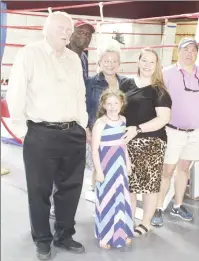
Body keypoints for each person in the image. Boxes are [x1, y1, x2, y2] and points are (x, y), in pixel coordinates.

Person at [6, 11, 88, 260]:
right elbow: (15, 94)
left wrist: (82, 125)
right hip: (40, 133)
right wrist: (24, 132)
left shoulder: (75, 58)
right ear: (46, 29)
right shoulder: (30, 53)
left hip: (72, 132)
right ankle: (42, 238)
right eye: (61, 27)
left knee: (71, 188)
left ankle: (64, 234)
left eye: (69, 29)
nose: (67, 32)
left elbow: (79, 94)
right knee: (39, 190)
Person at [151, 38, 199, 227]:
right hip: (172, 131)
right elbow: (157, 100)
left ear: (197, 53)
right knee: (167, 171)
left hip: (195, 132)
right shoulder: (167, 73)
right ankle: (158, 208)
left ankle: (178, 205)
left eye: (193, 50)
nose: (190, 53)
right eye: (186, 49)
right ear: (178, 52)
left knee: (184, 169)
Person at [121, 48, 172, 236]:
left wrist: (138, 129)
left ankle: (146, 222)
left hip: (151, 142)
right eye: (144, 60)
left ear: (157, 65)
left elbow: (163, 118)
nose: (147, 65)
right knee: (130, 185)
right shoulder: (125, 83)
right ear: (138, 61)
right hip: (127, 141)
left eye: (152, 62)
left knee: (149, 185)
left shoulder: (159, 90)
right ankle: (129, 219)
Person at [50, 19, 95, 219]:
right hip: (55, 120)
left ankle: (65, 206)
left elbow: (82, 90)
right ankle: (53, 203)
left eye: (89, 34)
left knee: (72, 164)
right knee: (55, 164)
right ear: (71, 33)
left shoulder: (83, 57)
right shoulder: (58, 53)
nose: (85, 36)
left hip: (75, 119)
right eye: (81, 32)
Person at [85, 44, 129, 201]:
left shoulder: (126, 83)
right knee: (99, 166)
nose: (110, 64)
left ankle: (114, 199)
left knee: (115, 165)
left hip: (117, 132)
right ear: (100, 62)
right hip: (98, 131)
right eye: (106, 60)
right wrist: (87, 130)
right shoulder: (91, 82)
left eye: (114, 61)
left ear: (119, 63)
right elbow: (85, 106)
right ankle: (100, 201)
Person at [91, 88, 133, 249]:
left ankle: (122, 232)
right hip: (106, 168)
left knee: (121, 198)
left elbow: (124, 144)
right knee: (107, 199)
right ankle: (105, 235)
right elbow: (95, 151)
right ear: (103, 105)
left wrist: (128, 163)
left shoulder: (123, 120)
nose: (113, 106)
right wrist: (99, 172)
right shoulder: (100, 124)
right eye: (109, 103)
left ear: (122, 103)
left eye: (116, 103)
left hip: (120, 166)